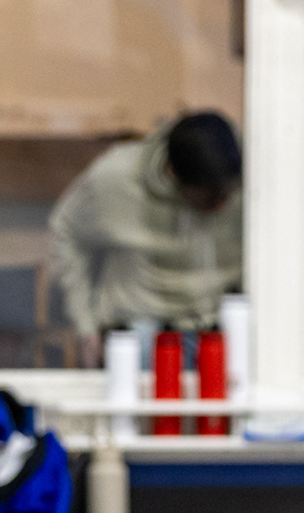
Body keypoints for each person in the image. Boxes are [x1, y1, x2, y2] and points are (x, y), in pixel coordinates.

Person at [46, 112, 242, 351]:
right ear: (172, 173)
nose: (222, 205)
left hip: (223, 326)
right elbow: (66, 230)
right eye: (212, 196)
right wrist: (85, 326)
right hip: (141, 327)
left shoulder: (252, 174)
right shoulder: (117, 178)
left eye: (230, 191)